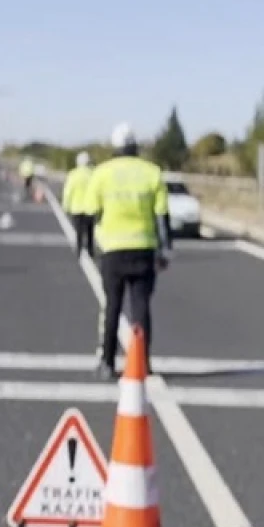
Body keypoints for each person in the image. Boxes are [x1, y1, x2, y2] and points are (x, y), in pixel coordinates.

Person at [82, 122, 172, 380]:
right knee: (141, 308)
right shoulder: (152, 173)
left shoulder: (101, 173)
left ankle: (107, 363)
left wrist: (89, 245)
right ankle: (142, 362)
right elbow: (162, 217)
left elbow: (90, 214)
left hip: (112, 250)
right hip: (143, 248)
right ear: (135, 147)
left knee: (112, 307)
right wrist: (165, 251)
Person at [61, 150, 95, 258]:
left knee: (79, 231)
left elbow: (68, 192)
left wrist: (65, 206)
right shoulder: (93, 173)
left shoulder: (73, 174)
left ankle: (79, 249)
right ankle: (90, 250)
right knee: (90, 231)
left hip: (76, 208)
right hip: (90, 208)